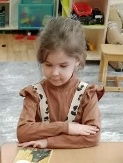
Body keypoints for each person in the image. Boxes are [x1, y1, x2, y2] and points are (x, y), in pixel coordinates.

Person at [16, 16, 104, 149]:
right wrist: (66, 128)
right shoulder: (34, 94)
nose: (55, 73)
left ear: (77, 60)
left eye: (63, 66)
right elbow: (23, 133)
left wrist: (47, 142)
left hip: (76, 158)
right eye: (48, 64)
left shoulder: (88, 94)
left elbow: (93, 137)